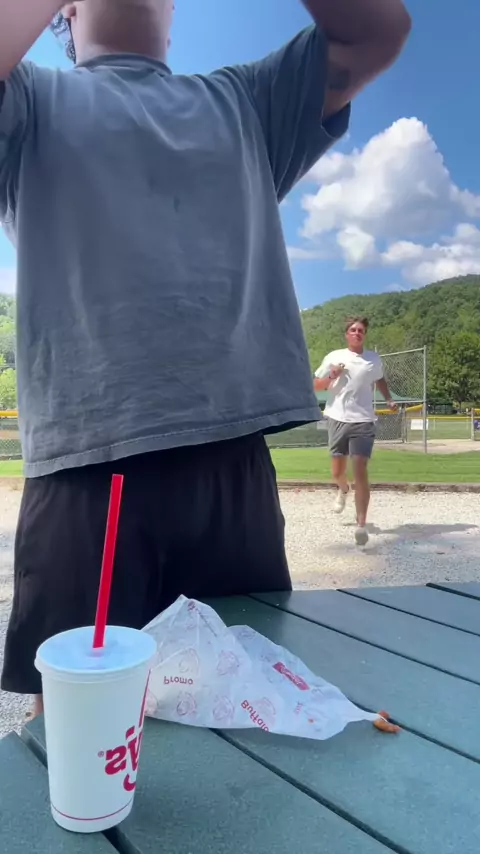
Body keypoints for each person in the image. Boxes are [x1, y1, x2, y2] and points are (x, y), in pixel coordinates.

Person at [0, 1, 411, 717]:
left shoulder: (246, 100)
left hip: (231, 462)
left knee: (245, 720)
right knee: (84, 732)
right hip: (84, 467)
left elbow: (377, 29)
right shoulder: (29, 98)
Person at [314, 317, 396, 546]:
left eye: (361, 330)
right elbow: (316, 386)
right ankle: (342, 489)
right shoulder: (334, 356)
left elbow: (380, 379)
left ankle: (361, 525)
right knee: (337, 472)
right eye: (353, 330)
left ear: (365, 334)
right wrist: (332, 375)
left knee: (360, 469)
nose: (357, 333)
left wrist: (388, 398)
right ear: (346, 334)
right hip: (337, 418)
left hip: (364, 421)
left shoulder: (373, 359)